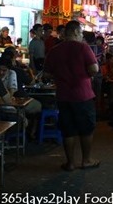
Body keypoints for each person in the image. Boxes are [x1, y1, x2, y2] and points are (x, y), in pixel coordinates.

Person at [43, 20, 100, 172]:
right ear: (75, 32)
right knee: (86, 128)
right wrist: (85, 74)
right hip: (83, 95)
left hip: (63, 96)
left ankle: (70, 163)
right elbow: (94, 69)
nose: (82, 36)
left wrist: (61, 75)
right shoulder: (83, 48)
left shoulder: (55, 50)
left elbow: (47, 74)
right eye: (81, 33)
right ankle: (86, 160)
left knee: (68, 129)